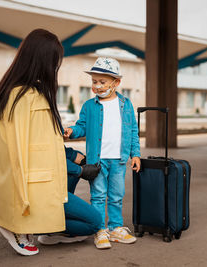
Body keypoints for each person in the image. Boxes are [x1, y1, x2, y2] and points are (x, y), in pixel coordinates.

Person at [0, 29, 101, 256]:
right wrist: (78, 169)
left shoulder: (29, 93)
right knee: (95, 222)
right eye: (54, 62)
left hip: (47, 181)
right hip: (35, 186)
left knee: (88, 220)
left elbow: (43, 144)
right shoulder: (22, 98)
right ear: (42, 61)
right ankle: (15, 225)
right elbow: (20, 153)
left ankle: (49, 230)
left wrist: (70, 155)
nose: (55, 68)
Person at [64, 57, 141, 249]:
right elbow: (82, 126)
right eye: (94, 82)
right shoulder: (89, 106)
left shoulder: (126, 104)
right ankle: (100, 230)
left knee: (116, 195)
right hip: (97, 161)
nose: (97, 86)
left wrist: (136, 154)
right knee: (98, 195)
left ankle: (115, 228)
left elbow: (133, 131)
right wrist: (73, 131)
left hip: (119, 159)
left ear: (116, 83)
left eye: (102, 82)